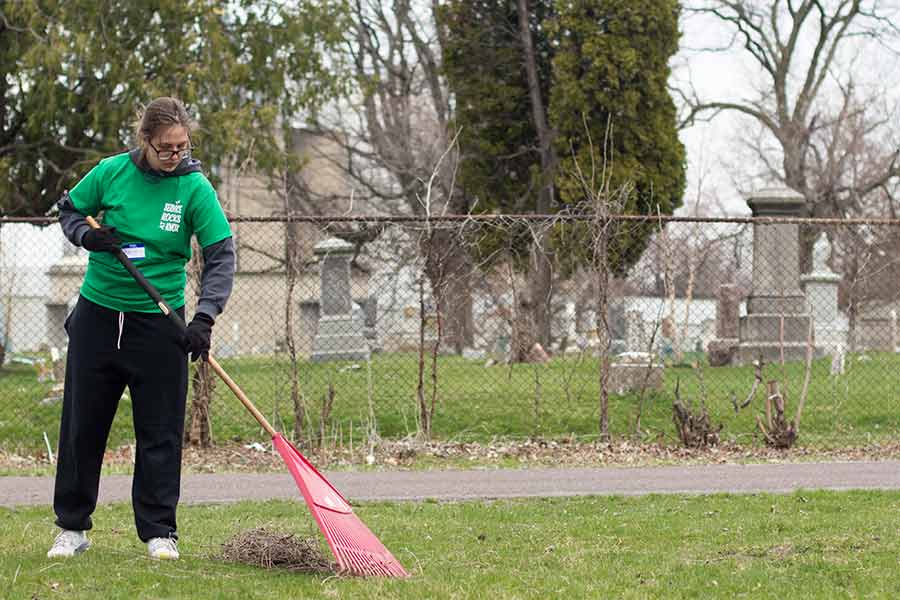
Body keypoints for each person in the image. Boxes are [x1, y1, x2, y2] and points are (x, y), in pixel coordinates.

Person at [47, 97, 235, 561]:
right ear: (145, 142)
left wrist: (204, 318)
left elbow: (221, 256)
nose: (176, 156)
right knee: (82, 427)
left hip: (160, 324)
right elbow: (68, 211)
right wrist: (87, 236)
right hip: (98, 316)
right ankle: (72, 527)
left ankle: (158, 530)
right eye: (166, 148)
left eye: (182, 147)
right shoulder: (111, 172)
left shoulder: (195, 188)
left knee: (161, 432)